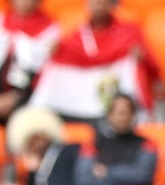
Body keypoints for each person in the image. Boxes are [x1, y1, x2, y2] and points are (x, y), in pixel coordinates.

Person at [28, 0, 157, 122]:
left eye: (102, 2)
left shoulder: (130, 33)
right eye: (94, 2)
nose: (98, 5)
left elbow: (155, 70)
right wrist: (56, 52)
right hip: (84, 113)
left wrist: (142, 58)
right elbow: (59, 60)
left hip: (120, 111)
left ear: (111, 5)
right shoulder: (77, 35)